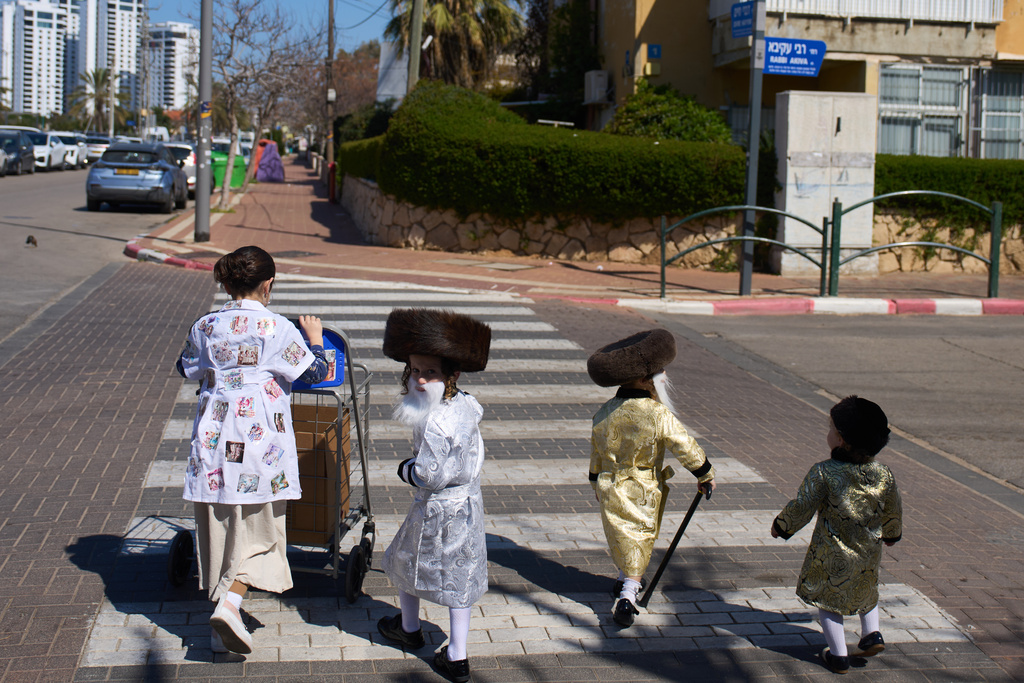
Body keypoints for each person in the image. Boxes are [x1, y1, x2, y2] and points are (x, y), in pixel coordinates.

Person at [176, 245, 328, 655]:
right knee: (263, 534)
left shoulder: (205, 325)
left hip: (212, 443)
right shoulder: (277, 327)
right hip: (261, 446)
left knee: (220, 532)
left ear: (227, 283)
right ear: (269, 283)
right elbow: (315, 371)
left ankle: (219, 627)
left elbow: (183, 366)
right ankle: (231, 603)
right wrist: (314, 338)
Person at [376, 308, 491, 683]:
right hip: (468, 507)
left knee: (403, 562)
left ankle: (413, 632)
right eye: (414, 370)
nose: (420, 380)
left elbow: (430, 475)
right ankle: (455, 654)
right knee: (461, 577)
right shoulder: (464, 405)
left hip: (438, 509)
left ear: (451, 376)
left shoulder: (432, 421)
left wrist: (405, 469)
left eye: (430, 372)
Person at [587, 329, 716, 627]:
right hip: (643, 488)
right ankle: (628, 596)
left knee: (621, 534)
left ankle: (623, 579)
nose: (664, 373)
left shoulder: (604, 413)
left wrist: (595, 482)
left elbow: (597, 453)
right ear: (645, 380)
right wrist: (705, 473)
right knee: (640, 535)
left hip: (609, 484)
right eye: (658, 372)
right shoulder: (658, 414)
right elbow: (684, 445)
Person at [771, 395, 903, 675]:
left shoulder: (824, 472)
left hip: (831, 551)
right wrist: (892, 533)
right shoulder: (883, 473)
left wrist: (783, 526)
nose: (827, 433)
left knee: (828, 599)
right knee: (866, 587)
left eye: (830, 428)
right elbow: (892, 507)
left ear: (841, 439)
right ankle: (872, 633)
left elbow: (803, 505)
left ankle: (839, 655)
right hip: (869, 548)